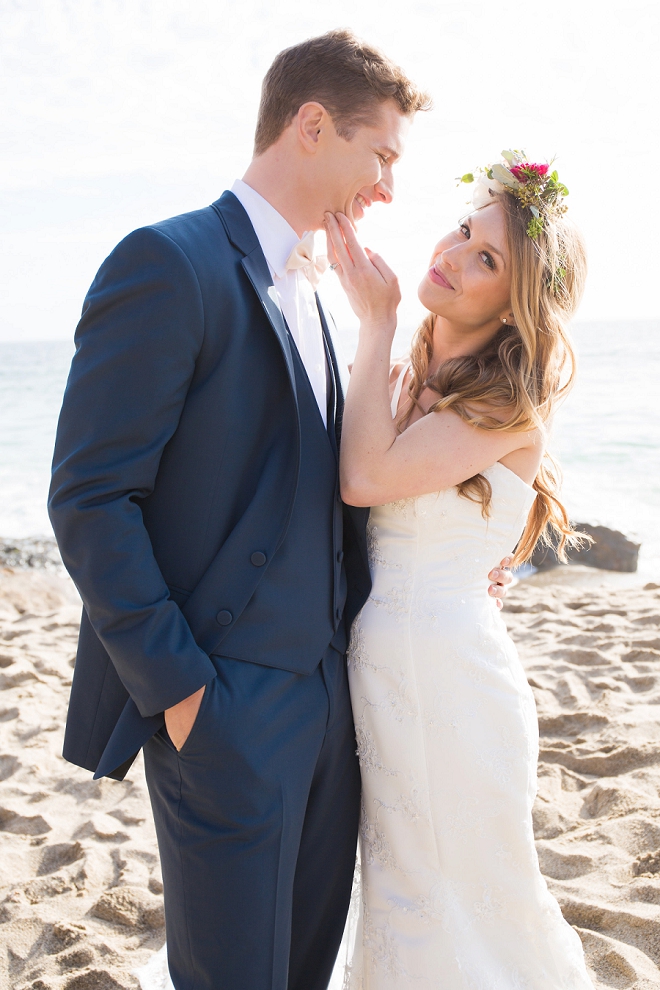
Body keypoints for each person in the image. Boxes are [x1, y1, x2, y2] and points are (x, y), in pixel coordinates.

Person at [49, 31, 514, 990]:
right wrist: (181, 694)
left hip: (332, 708)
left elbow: (325, 488)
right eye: (379, 155)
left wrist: (461, 564)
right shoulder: (167, 263)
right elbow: (91, 497)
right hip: (223, 708)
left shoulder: (321, 295)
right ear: (311, 127)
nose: (387, 186)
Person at [325, 154, 594, 988]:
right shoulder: (404, 385)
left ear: (515, 305)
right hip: (383, 679)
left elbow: (364, 480)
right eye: (465, 233)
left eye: (486, 260)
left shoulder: (506, 408)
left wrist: (373, 322)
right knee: (403, 890)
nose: (452, 254)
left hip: (452, 684)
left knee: (467, 900)